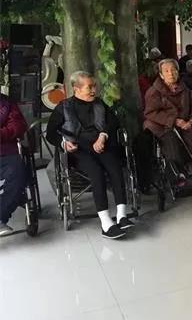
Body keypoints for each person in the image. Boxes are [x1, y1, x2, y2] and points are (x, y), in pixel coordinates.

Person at [46, 72, 133, 239]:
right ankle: (106, 222)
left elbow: (113, 122)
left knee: (115, 168)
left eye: (94, 86)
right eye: (89, 87)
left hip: (101, 146)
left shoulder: (99, 104)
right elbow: (51, 133)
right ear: (76, 88)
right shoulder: (64, 107)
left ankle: (122, 215)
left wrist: (103, 136)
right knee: (96, 172)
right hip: (78, 151)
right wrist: (64, 143)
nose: (94, 90)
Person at [144, 59, 192, 194]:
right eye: (166, 71)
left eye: (173, 70)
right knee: (172, 142)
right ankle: (179, 178)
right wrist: (174, 121)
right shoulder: (154, 92)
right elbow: (150, 113)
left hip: (185, 124)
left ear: (178, 71)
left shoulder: (184, 88)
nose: (171, 73)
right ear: (161, 75)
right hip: (164, 127)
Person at [0, 95, 28, 236]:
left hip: (6, 152)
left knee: (19, 175)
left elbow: (18, 126)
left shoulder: (7, 104)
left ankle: (0, 216)